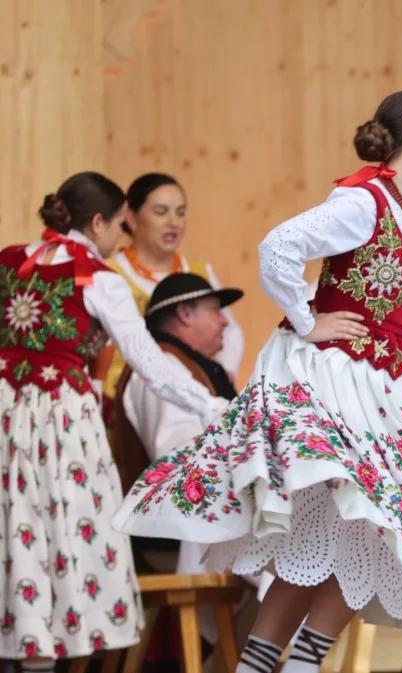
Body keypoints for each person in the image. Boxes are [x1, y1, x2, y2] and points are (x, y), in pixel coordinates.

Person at [114, 89, 402, 673]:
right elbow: (280, 245)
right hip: (335, 382)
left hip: (379, 390)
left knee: (367, 536)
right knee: (350, 526)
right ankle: (265, 666)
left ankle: (292, 665)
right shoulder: (363, 200)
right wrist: (308, 320)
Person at [0, 172, 226, 671]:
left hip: (6, 415)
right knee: (61, 537)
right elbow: (152, 364)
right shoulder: (99, 277)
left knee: (16, 534)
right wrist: (211, 407)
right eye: (120, 224)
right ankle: (42, 656)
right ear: (99, 222)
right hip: (61, 422)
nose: (118, 237)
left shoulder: (9, 262)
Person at [111, 272, 243, 573]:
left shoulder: (184, 366)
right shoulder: (163, 371)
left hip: (197, 526)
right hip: (173, 538)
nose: (225, 321)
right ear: (184, 313)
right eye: (215, 310)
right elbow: (177, 454)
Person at [96, 173, 245, 405]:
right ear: (132, 219)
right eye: (161, 212)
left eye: (180, 212)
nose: (173, 222)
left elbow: (231, 331)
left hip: (193, 395)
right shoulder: (108, 274)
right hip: (121, 404)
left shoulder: (199, 272)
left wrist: (222, 374)